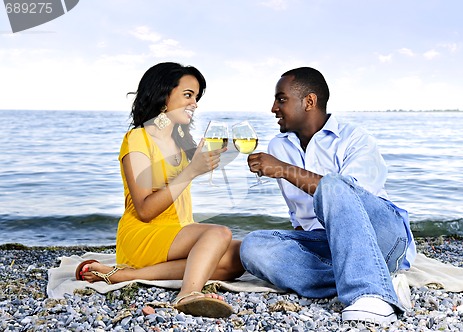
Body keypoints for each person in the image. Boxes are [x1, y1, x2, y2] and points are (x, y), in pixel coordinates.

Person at [240, 67, 416, 324]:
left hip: (382, 236)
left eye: (281, 99)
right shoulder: (279, 146)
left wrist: (282, 170)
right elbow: (298, 216)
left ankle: (372, 294)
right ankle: (376, 277)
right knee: (253, 248)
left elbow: (352, 198)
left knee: (334, 185)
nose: (273, 108)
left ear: (309, 101)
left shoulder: (355, 138)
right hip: (328, 244)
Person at [75, 62, 244, 318]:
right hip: (144, 233)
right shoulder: (138, 139)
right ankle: (188, 293)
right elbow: (144, 210)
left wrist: (207, 163)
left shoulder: (181, 143)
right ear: (164, 96)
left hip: (177, 233)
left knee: (239, 256)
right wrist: (191, 171)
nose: (195, 104)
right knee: (219, 233)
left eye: (196, 98)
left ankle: (128, 275)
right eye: (188, 95)